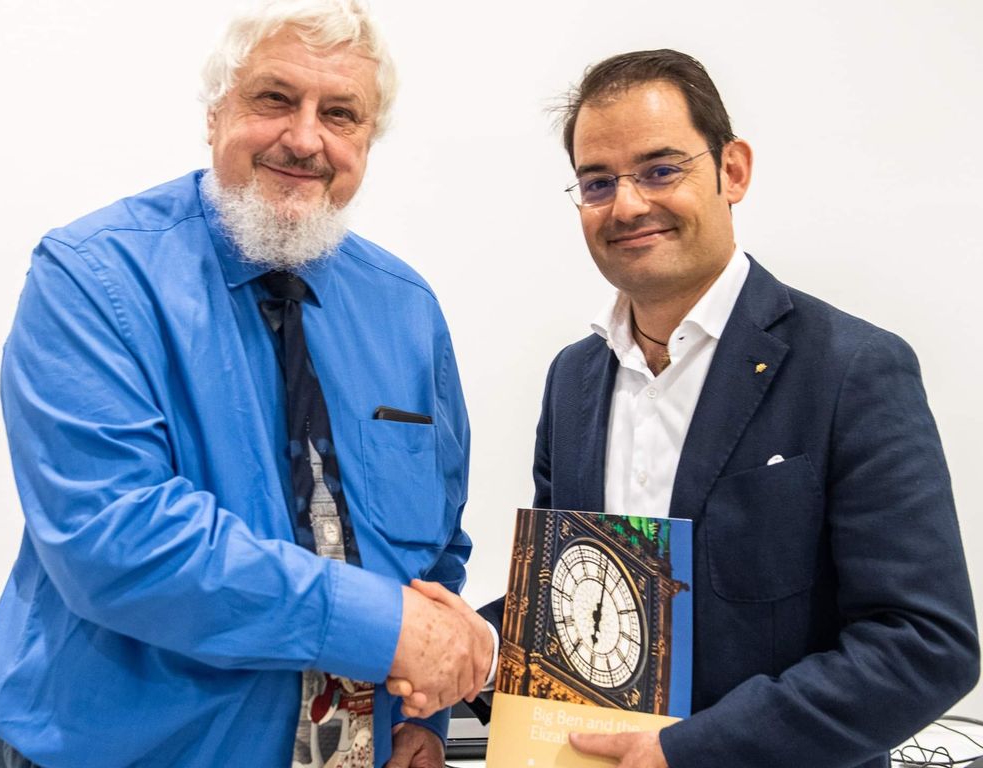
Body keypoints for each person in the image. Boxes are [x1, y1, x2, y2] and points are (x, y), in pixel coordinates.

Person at [395, 49, 980, 767]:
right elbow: (576, 612)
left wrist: (690, 751)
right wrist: (475, 650)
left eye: (660, 170)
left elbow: (925, 646)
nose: (627, 205)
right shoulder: (573, 382)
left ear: (733, 171)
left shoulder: (851, 369)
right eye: (598, 182)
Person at [0, 2, 493, 767]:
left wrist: (423, 715)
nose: (305, 139)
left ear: (366, 140)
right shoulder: (92, 279)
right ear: (216, 112)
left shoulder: (408, 309)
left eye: (340, 114)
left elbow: (436, 545)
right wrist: (384, 628)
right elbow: (118, 541)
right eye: (275, 98)